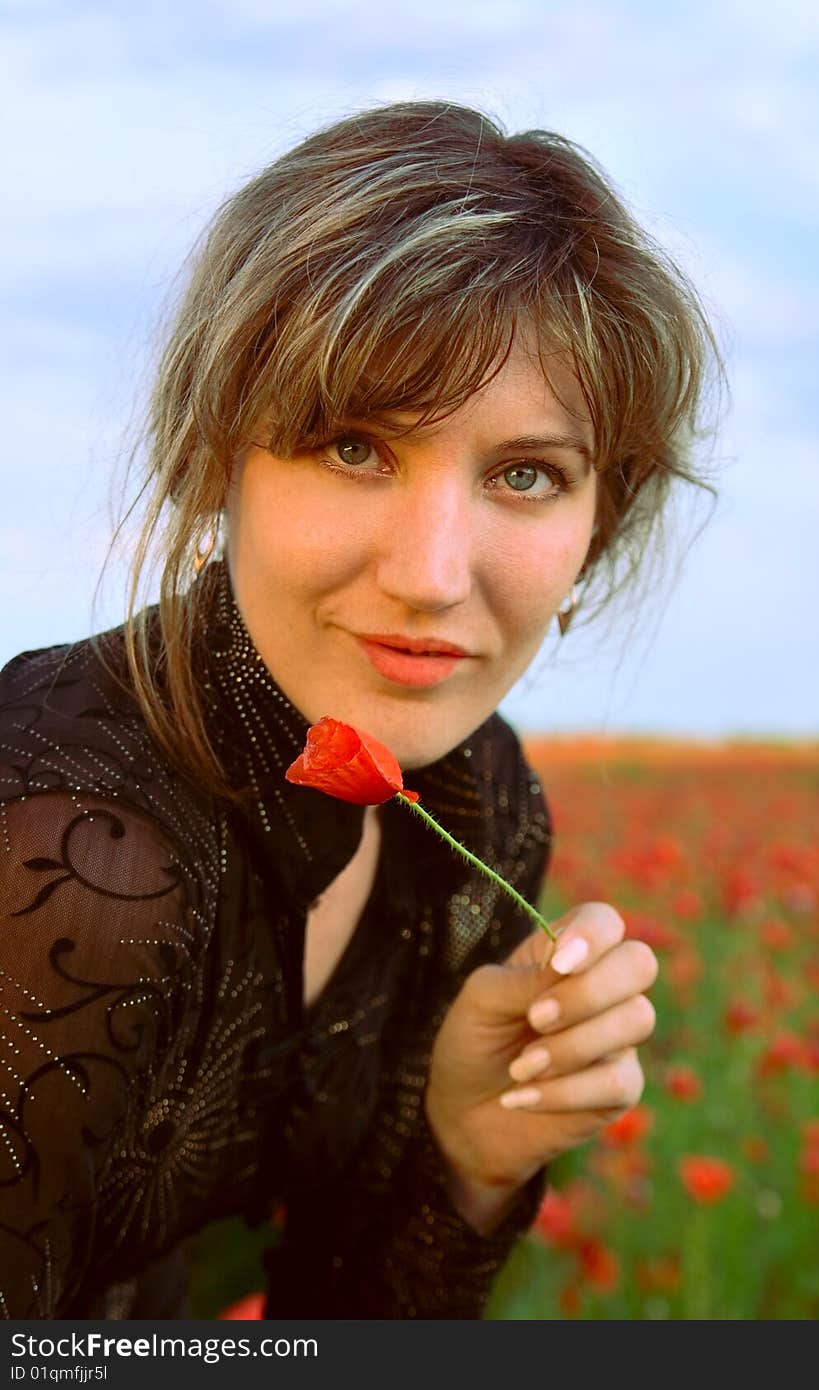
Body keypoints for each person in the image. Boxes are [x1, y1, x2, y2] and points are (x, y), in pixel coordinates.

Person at [0, 100, 720, 1319]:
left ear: (600, 521)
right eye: (352, 446)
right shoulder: (66, 859)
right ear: (214, 455)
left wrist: (468, 1163)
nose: (434, 573)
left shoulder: (476, 803)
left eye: (525, 473)